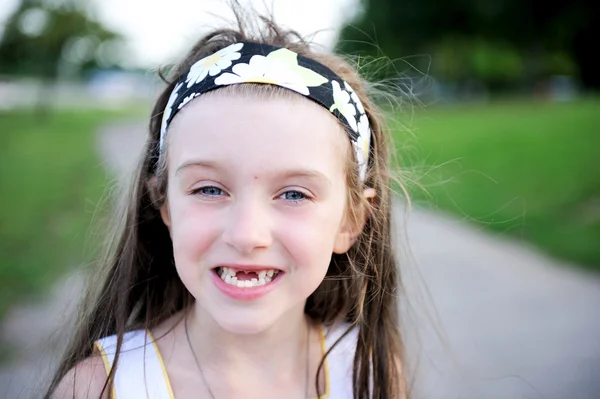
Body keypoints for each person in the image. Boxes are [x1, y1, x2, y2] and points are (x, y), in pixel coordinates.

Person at [47, 7, 407, 399]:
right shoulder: (99, 388)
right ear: (164, 205)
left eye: (293, 194)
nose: (247, 235)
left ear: (350, 221)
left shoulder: (367, 373)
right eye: (209, 190)